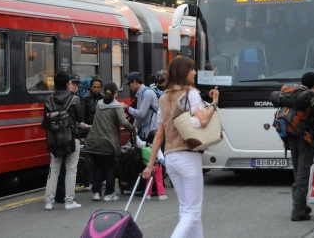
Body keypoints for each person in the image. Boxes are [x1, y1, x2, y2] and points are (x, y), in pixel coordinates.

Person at [142, 57, 219, 238]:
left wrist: (150, 164)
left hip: (171, 158)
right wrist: (214, 103)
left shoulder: (164, 98)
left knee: (186, 209)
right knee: (192, 211)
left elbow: (159, 134)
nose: (195, 72)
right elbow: (203, 120)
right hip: (188, 157)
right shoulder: (190, 93)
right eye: (192, 69)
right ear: (184, 72)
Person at [83, 81, 133, 201]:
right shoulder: (116, 106)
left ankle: (96, 192)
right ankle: (109, 193)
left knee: (97, 167)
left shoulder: (99, 104)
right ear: (116, 92)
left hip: (95, 140)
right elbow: (124, 122)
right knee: (110, 167)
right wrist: (133, 129)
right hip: (109, 142)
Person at [43, 71, 85, 210]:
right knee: (71, 170)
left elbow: (45, 121)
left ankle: (49, 202)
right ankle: (69, 201)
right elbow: (80, 118)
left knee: (53, 170)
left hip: (54, 140)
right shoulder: (74, 99)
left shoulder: (48, 100)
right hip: (71, 139)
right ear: (68, 84)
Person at [289, 72, 314, 221]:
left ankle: (301, 205)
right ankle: (298, 211)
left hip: (292, 137)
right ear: (313, 84)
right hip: (305, 139)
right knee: (304, 175)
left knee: (298, 172)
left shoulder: (295, 95)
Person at [122, 72, 159, 136]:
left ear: (134, 82)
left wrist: (127, 108)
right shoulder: (140, 94)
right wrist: (134, 131)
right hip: (148, 128)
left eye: (129, 84)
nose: (129, 87)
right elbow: (138, 117)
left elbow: (141, 114)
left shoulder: (147, 93)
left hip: (153, 128)